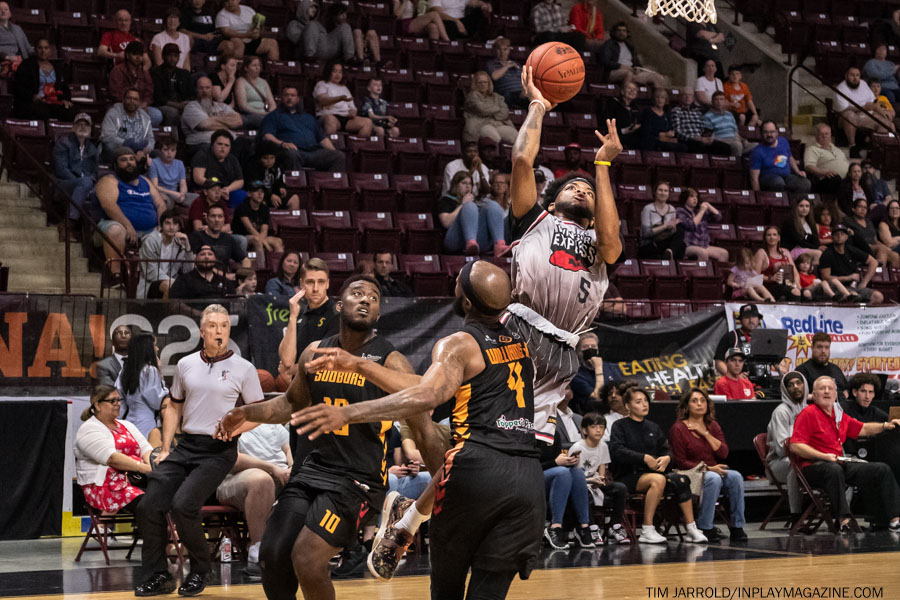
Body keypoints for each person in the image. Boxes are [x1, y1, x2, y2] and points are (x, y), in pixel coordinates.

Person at [350, 68, 624, 582]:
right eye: (573, 186)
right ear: (553, 198)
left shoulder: (600, 247)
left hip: (562, 356)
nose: (582, 190)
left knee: (510, 455)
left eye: (588, 191)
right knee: (477, 445)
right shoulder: (536, 220)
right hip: (515, 334)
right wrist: (538, 105)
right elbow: (521, 160)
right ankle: (409, 518)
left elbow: (611, 239)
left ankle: (410, 519)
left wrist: (603, 166)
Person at [289, 262, 545, 598]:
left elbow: (425, 394)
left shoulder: (458, 344)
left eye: (457, 281)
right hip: (528, 480)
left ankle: (406, 519)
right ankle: (407, 519)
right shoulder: (523, 344)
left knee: (446, 589)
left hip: (476, 474)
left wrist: (348, 410)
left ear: (466, 301)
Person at [215, 275, 417, 600]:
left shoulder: (387, 358)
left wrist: (360, 366)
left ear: (379, 313)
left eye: (373, 297)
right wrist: (247, 412)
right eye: (357, 293)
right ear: (339, 305)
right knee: (271, 556)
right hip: (312, 471)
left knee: (307, 559)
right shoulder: (314, 352)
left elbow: (422, 391)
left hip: (358, 481)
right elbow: (290, 404)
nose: (365, 300)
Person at [134, 304, 264, 596]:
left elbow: (258, 413)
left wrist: (234, 430)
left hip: (219, 450)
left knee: (184, 504)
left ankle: (201, 570)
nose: (219, 331)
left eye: (224, 326)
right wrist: (165, 447)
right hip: (187, 446)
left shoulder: (244, 368)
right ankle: (159, 575)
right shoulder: (185, 364)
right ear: (202, 331)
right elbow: (174, 407)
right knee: (148, 505)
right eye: (213, 326)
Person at [790, 376, 900, 534]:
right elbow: (795, 446)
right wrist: (823, 456)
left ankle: (895, 520)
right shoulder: (808, 413)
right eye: (822, 388)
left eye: (830, 388)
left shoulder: (838, 414)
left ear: (836, 394)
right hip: (812, 467)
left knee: (881, 469)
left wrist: (885, 426)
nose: (826, 391)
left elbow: (863, 428)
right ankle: (844, 522)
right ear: (814, 395)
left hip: (838, 463)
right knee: (833, 470)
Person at [609, 387, 708, 544]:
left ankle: (691, 528)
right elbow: (617, 451)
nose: (644, 404)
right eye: (638, 402)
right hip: (628, 475)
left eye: (646, 401)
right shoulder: (619, 425)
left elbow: (667, 450)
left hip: (653, 473)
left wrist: (667, 458)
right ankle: (647, 529)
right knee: (658, 480)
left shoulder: (653, 427)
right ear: (627, 406)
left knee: (682, 479)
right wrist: (643, 458)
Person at [669, 388, 747, 542]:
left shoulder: (713, 426)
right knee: (713, 478)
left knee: (735, 476)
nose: (699, 404)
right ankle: (705, 526)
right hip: (688, 473)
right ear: (687, 406)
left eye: (702, 400)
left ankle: (737, 526)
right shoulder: (678, 428)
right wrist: (707, 469)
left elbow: (723, 453)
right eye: (694, 401)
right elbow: (680, 461)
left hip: (711, 471)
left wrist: (705, 433)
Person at [216, 423, 292, 579]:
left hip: (280, 474)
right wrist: (272, 468)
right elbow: (233, 459)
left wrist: (293, 467)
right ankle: (259, 551)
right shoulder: (227, 422)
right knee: (261, 480)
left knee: (306, 479)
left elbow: (289, 449)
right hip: (235, 478)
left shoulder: (273, 425)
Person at [75, 385, 153, 513]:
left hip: (134, 480)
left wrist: (152, 466)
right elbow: (112, 458)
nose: (118, 404)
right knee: (150, 504)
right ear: (98, 405)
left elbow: (146, 449)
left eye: (118, 400)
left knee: (162, 497)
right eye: (112, 401)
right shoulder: (88, 429)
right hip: (104, 487)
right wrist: (144, 468)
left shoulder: (127, 425)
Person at [95, 147, 166, 275]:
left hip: (149, 231)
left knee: (174, 234)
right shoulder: (109, 180)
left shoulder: (145, 181)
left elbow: (161, 204)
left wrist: (161, 225)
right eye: (124, 160)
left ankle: (163, 277)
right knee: (115, 230)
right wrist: (128, 225)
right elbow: (108, 206)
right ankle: (115, 275)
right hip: (116, 225)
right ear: (115, 165)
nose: (129, 163)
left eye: (132, 159)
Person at [540, 395, 595, 549]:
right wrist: (555, 462)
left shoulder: (554, 434)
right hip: (532, 476)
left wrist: (568, 461)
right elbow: (529, 465)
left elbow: (556, 461)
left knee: (576, 472)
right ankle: (555, 527)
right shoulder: (529, 433)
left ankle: (583, 527)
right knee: (562, 472)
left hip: (553, 476)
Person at [569, 412, 630, 544]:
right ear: (585, 430)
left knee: (620, 488)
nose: (598, 430)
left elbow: (602, 465)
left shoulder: (603, 445)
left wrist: (601, 479)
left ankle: (615, 526)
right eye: (593, 427)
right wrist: (590, 481)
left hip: (595, 481)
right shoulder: (577, 447)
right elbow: (573, 475)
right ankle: (591, 528)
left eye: (601, 427)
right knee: (583, 492)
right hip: (580, 484)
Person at [261, 86, 346, 172]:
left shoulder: (308, 117)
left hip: (314, 152)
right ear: (282, 98)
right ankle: (296, 180)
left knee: (339, 156)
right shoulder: (273, 116)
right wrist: (282, 144)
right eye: (286, 95)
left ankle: (327, 181)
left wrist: (333, 151)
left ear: (298, 99)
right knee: (291, 154)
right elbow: (267, 136)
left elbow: (322, 139)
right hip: (294, 151)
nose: (289, 98)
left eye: (292, 95)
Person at [277, 258, 340, 370]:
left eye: (321, 282)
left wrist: (291, 370)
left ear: (327, 284)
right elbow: (287, 360)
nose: (315, 289)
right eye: (310, 282)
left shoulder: (336, 315)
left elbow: (323, 363)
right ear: (302, 284)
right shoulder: (298, 312)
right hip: (300, 380)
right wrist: (292, 317)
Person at [766, 371, 806, 523]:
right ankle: (796, 515)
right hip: (778, 463)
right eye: (790, 385)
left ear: (805, 386)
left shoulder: (808, 410)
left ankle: (841, 515)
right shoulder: (781, 412)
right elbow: (781, 449)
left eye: (799, 383)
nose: (795, 387)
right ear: (785, 389)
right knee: (795, 467)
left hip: (804, 458)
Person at [439, 170, 506, 255]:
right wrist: (463, 204)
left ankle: (499, 245)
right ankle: (470, 242)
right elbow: (446, 223)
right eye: (464, 183)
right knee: (469, 206)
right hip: (455, 239)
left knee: (492, 205)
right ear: (455, 185)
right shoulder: (446, 200)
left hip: (477, 242)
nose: (468, 186)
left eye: (470, 184)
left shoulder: (476, 201)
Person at [116, 332, 168, 439]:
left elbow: (119, 396)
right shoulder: (150, 370)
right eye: (155, 345)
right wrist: (160, 373)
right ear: (147, 348)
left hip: (127, 421)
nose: (157, 349)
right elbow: (156, 401)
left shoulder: (124, 370)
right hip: (146, 423)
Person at [818, 223, 884, 305]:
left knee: (878, 297)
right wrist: (848, 278)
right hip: (838, 287)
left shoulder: (851, 249)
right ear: (832, 237)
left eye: (842, 234)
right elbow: (826, 277)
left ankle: (864, 312)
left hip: (854, 286)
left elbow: (874, 262)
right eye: (836, 234)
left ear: (846, 237)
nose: (839, 236)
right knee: (854, 296)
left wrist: (864, 282)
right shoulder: (827, 254)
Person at [12, 37, 75, 121]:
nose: (43, 51)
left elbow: (64, 88)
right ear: (35, 50)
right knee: (42, 111)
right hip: (34, 102)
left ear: (50, 51)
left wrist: (65, 100)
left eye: (46, 48)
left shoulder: (57, 67)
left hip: (54, 102)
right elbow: (18, 86)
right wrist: (32, 96)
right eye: (40, 48)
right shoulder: (26, 65)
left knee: (72, 111)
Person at [53, 114, 99, 224]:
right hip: (64, 184)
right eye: (79, 124)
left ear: (90, 129)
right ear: (73, 127)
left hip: (86, 185)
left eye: (86, 125)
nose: (82, 127)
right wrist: (81, 182)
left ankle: (95, 227)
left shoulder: (92, 148)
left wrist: (89, 183)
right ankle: (70, 220)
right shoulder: (63, 143)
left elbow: (94, 172)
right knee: (86, 183)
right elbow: (61, 170)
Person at [138, 210, 193, 300]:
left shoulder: (179, 244)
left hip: (171, 281)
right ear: (162, 225)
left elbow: (188, 270)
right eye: (168, 223)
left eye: (175, 224)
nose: (171, 227)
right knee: (171, 287)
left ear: (179, 227)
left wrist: (187, 246)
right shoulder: (151, 241)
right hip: (150, 283)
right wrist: (176, 283)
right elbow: (151, 273)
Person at [835, 66, 887, 157]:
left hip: (864, 115)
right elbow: (843, 109)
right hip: (846, 117)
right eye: (852, 75)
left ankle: (873, 150)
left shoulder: (863, 84)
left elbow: (872, 102)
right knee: (850, 115)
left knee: (884, 123)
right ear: (846, 76)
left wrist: (883, 114)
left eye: (857, 75)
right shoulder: (841, 88)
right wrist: (862, 108)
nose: (855, 78)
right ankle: (852, 147)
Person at [181, 76, 243, 152]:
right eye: (201, 88)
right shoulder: (191, 107)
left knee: (245, 142)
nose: (204, 91)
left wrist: (212, 118)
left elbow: (238, 121)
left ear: (212, 89)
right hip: (202, 144)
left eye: (207, 88)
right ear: (196, 90)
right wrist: (228, 126)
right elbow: (205, 125)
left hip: (228, 141)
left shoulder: (221, 106)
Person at [108, 42, 162, 127]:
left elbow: (149, 91)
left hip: (140, 106)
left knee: (157, 115)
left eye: (140, 55)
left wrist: (145, 103)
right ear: (127, 55)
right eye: (134, 54)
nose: (138, 57)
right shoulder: (118, 70)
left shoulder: (144, 72)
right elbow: (116, 94)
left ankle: (137, 130)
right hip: (122, 106)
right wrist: (132, 103)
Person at [314, 61, 373, 137]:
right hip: (328, 115)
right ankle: (330, 144)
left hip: (345, 117)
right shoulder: (322, 84)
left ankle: (357, 143)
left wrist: (352, 112)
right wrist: (340, 98)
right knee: (330, 120)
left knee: (368, 122)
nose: (338, 75)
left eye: (340, 72)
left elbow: (352, 107)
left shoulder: (344, 88)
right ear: (328, 72)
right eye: (334, 71)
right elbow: (323, 101)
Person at [749, 120, 810, 193]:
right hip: (768, 178)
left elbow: (790, 157)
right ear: (761, 133)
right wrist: (757, 195)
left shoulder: (783, 142)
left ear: (777, 132)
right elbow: (754, 178)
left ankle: (795, 200)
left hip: (786, 177)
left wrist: (798, 171)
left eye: (772, 132)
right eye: (766, 132)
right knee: (778, 183)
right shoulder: (757, 151)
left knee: (805, 183)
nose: (769, 135)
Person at [191, 130, 246, 208]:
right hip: (206, 190)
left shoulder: (232, 159)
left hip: (226, 190)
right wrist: (217, 190)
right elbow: (198, 178)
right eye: (220, 144)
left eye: (226, 145)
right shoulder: (202, 155)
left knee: (242, 196)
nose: (223, 147)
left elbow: (240, 181)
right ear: (212, 144)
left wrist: (227, 189)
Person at [600, 22, 665, 88]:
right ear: (614, 32)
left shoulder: (630, 46)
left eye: (624, 31)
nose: (621, 33)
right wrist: (622, 66)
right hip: (613, 72)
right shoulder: (609, 44)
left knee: (658, 77)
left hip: (631, 71)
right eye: (619, 30)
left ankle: (659, 94)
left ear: (627, 33)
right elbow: (606, 61)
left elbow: (636, 62)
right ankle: (626, 93)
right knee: (628, 74)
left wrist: (638, 68)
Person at [100, 87, 155, 163]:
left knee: (156, 154)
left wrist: (144, 151)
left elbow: (151, 139)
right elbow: (107, 136)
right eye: (129, 98)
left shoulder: (145, 117)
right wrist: (126, 145)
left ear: (139, 102)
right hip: (118, 150)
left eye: (135, 99)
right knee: (108, 147)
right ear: (123, 100)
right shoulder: (113, 113)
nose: (132, 101)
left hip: (140, 152)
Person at [189, 204, 251, 271]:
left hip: (225, 276)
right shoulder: (196, 236)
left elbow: (245, 260)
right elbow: (195, 263)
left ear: (224, 220)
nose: (217, 220)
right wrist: (223, 275)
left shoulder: (228, 238)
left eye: (220, 216)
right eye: (213, 216)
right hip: (205, 274)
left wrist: (244, 272)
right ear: (207, 219)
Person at [670, 89, 732, 155]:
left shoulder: (698, 111)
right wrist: (695, 138)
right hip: (688, 140)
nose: (687, 97)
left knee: (726, 148)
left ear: (693, 98)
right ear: (680, 97)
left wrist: (707, 137)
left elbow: (703, 128)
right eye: (685, 95)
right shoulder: (676, 111)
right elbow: (677, 132)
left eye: (690, 95)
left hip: (701, 139)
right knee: (699, 146)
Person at [463, 71, 517, 144]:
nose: (483, 84)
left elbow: (504, 112)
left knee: (515, 136)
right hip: (480, 125)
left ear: (489, 84)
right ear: (475, 84)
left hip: (498, 123)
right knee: (494, 138)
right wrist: (497, 109)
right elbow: (482, 109)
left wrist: (495, 119)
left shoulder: (497, 97)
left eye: (485, 82)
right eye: (480, 82)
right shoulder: (472, 96)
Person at [676, 187, 729, 262]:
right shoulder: (680, 211)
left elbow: (718, 217)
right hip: (688, 246)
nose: (695, 199)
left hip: (703, 245)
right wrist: (702, 211)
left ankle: (717, 270)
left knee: (724, 253)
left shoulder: (699, 211)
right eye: (691, 196)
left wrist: (708, 205)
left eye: (696, 197)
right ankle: (704, 270)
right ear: (685, 198)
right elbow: (692, 225)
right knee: (703, 253)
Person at [845, 194, 899, 267]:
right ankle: (879, 273)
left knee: (895, 255)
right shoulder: (848, 221)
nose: (863, 209)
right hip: (860, 248)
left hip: (873, 247)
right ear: (853, 209)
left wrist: (886, 248)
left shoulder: (869, 222)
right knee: (881, 249)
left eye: (865, 207)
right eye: (860, 206)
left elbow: (875, 240)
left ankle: (893, 274)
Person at [232, 180, 284, 255]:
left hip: (259, 237)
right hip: (243, 237)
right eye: (256, 191)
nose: (260, 194)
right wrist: (265, 243)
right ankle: (261, 262)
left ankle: (278, 262)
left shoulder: (264, 209)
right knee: (256, 240)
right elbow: (250, 229)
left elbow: (264, 230)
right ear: (249, 194)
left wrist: (263, 241)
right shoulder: (242, 207)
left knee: (278, 241)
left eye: (262, 192)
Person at [752, 226, 802, 301]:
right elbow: (755, 277)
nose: (772, 237)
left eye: (774, 235)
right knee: (794, 292)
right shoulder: (761, 253)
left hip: (787, 285)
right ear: (765, 238)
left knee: (806, 293)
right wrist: (770, 278)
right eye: (769, 235)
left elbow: (796, 274)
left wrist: (797, 285)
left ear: (779, 238)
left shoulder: (785, 252)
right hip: (768, 287)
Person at [169, 244, 238, 299]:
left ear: (215, 259)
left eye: (210, 254)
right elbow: (174, 303)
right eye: (202, 254)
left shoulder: (225, 281)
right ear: (195, 259)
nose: (206, 257)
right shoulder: (184, 280)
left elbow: (233, 302)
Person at [244, 141, 300, 209]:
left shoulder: (277, 167)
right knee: (260, 203)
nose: (269, 161)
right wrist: (270, 196)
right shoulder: (252, 168)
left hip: (274, 195)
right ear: (259, 158)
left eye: (272, 158)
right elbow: (255, 186)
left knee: (294, 199)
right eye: (265, 158)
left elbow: (279, 181)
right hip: (259, 196)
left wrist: (281, 188)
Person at [150, 44, 193, 127]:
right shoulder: (156, 73)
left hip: (182, 104)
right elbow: (158, 97)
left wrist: (187, 103)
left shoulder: (184, 74)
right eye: (169, 55)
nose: (173, 59)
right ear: (163, 56)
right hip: (163, 105)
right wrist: (177, 105)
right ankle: (172, 134)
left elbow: (191, 93)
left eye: (175, 56)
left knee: (194, 109)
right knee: (173, 112)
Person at [796, 332, 849, 399]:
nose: (823, 351)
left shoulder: (836, 369)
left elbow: (845, 391)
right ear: (812, 348)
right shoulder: (802, 370)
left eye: (826, 347)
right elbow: (798, 396)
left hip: (840, 404)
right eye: (819, 347)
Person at [640, 181, 685, 260]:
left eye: (666, 191)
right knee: (680, 246)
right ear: (655, 192)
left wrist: (673, 227)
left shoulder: (672, 209)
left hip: (665, 240)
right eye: (660, 190)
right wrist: (665, 226)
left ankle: (669, 252)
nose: (663, 193)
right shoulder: (647, 209)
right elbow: (646, 233)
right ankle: (669, 255)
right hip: (651, 243)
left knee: (681, 235)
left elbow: (672, 231)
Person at [803, 123, 849, 195]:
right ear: (816, 136)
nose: (824, 136)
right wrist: (824, 172)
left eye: (826, 134)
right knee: (835, 178)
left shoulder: (837, 150)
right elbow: (808, 166)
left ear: (830, 135)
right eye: (821, 134)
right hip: (826, 180)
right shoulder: (812, 149)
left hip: (846, 179)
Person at [703, 92, 753, 157]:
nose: (719, 102)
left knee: (757, 146)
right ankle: (736, 162)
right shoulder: (707, 116)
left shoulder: (729, 114)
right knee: (737, 145)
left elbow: (735, 132)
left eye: (721, 99)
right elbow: (709, 136)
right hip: (722, 142)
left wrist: (742, 140)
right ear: (712, 102)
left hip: (735, 140)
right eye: (716, 99)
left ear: (725, 102)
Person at [148, 138, 191, 210]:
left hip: (177, 194)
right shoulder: (154, 163)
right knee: (164, 201)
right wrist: (173, 193)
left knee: (197, 198)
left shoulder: (179, 163)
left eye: (173, 150)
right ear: (160, 151)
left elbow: (183, 184)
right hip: (161, 192)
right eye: (165, 150)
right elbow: (155, 186)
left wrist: (182, 194)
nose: (169, 153)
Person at [568, 332, 605, 415]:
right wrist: (598, 369)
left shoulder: (607, 367)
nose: (590, 349)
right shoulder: (576, 374)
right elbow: (597, 397)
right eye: (585, 347)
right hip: (589, 415)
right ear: (578, 351)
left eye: (593, 346)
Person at [640, 88, 685, 152]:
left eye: (662, 98)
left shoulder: (667, 114)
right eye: (657, 97)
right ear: (654, 99)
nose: (660, 100)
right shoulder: (648, 112)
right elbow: (646, 131)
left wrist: (670, 134)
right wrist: (664, 134)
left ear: (665, 100)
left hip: (665, 139)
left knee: (683, 147)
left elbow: (670, 129)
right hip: (652, 139)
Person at [486, 37, 525, 108]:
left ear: (509, 50)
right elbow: (494, 77)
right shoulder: (491, 63)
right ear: (495, 50)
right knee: (506, 96)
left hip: (520, 93)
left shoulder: (516, 64)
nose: (502, 52)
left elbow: (525, 80)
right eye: (499, 49)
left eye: (505, 49)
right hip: (505, 93)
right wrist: (507, 66)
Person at [600, 81, 641, 149]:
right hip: (615, 135)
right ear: (622, 91)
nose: (632, 91)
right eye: (629, 88)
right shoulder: (613, 103)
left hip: (631, 136)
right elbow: (608, 122)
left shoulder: (636, 108)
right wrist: (624, 130)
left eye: (634, 89)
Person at [781, 197, 822, 261]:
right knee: (818, 253)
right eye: (801, 206)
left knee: (827, 253)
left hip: (807, 248)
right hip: (792, 250)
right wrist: (815, 247)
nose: (804, 208)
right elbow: (798, 241)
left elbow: (816, 239)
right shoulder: (790, 222)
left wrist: (817, 246)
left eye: (807, 206)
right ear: (796, 207)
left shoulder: (811, 222)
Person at [0, 1, 31, 66]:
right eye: (0, 9)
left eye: (6, 9)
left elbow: (28, 48)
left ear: (9, 14)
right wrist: (6, 57)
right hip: (3, 61)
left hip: (20, 60)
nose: (3, 11)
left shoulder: (18, 29)